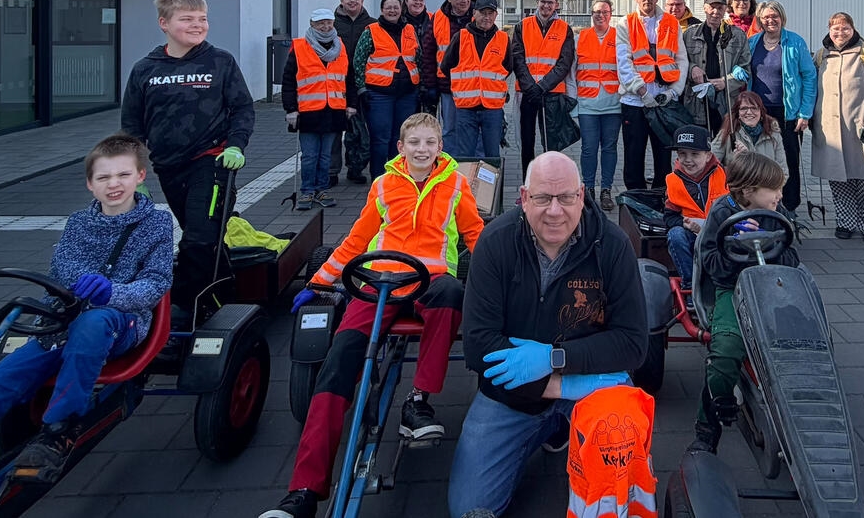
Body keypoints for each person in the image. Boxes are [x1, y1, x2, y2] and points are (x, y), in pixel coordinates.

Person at [0, 135, 173, 516]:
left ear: (139, 176)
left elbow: (158, 281)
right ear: (90, 184)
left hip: (120, 323)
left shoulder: (156, 223)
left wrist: (113, 292)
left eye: (124, 174)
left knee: (93, 323)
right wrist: (77, 286)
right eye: (104, 177)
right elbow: (63, 268)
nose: (114, 184)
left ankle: (60, 427)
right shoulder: (79, 224)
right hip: (60, 327)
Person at [261, 114, 483, 518]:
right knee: (338, 363)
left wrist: (501, 277)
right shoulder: (382, 186)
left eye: (430, 142)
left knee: (452, 292)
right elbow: (356, 241)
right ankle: (304, 491)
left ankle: (418, 403)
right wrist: (318, 282)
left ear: (440, 147)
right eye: (414, 142)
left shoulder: (456, 184)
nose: (422, 150)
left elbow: (476, 236)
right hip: (377, 282)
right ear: (401, 147)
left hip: (430, 281)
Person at [449, 151, 648, 518]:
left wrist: (553, 361)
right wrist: (559, 387)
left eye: (566, 197)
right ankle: (551, 427)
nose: (555, 211)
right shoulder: (494, 244)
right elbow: (478, 346)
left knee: (619, 479)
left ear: (582, 195)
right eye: (542, 198)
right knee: (468, 508)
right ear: (523, 198)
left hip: (592, 391)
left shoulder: (613, 245)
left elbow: (633, 343)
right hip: (516, 396)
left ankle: (563, 428)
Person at [121, 0, 254, 318]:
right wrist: (134, 174)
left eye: (203, 19)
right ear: (164, 23)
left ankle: (181, 308)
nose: (197, 25)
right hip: (168, 168)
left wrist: (236, 144)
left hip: (212, 163)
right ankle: (224, 298)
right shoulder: (144, 70)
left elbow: (242, 108)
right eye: (187, 19)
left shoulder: (220, 61)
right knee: (205, 241)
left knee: (198, 239)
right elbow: (131, 127)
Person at [690, 151, 799, 454]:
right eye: (773, 189)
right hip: (731, 288)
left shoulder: (777, 211)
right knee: (725, 350)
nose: (780, 195)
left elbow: (793, 258)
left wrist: (769, 240)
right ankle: (707, 426)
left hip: (772, 287)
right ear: (748, 192)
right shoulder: (721, 212)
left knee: (801, 339)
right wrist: (735, 246)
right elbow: (710, 262)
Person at [811, 12, 864, 244]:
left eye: (845, 28)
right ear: (828, 30)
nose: (840, 33)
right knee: (838, 179)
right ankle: (846, 221)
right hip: (831, 131)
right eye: (835, 29)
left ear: (853, 29)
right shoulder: (821, 56)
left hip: (861, 129)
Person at [745, 0, 816, 219]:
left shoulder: (794, 42)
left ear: (782, 18)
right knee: (761, 160)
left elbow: (809, 76)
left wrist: (805, 113)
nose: (770, 20)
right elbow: (745, 67)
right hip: (759, 113)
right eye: (766, 17)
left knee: (788, 160)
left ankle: (790, 205)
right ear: (760, 20)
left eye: (774, 16)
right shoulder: (753, 42)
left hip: (788, 113)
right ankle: (762, 204)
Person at [282, 9, 358, 211]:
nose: (325, 27)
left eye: (328, 23)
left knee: (326, 155)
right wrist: (290, 109)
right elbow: (288, 81)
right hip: (307, 111)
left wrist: (351, 104)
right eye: (320, 23)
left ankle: (322, 190)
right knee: (309, 155)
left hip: (334, 110)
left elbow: (349, 79)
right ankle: (307, 191)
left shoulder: (340, 46)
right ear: (312, 24)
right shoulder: (299, 46)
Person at [616, 0, 689, 190]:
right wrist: (641, 90)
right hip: (635, 101)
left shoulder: (671, 22)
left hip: (663, 100)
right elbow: (624, 62)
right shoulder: (625, 23)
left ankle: (662, 198)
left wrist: (673, 92)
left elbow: (681, 59)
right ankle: (635, 200)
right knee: (633, 155)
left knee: (663, 155)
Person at [354, 0, 421, 182]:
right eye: (388, 7)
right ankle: (378, 178)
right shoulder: (371, 31)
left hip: (406, 93)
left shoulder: (410, 29)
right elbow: (358, 61)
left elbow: (419, 58)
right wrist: (361, 89)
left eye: (396, 7)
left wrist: (420, 87)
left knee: (400, 138)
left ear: (401, 9)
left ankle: (397, 177)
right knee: (380, 139)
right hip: (379, 94)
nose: (392, 11)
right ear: (382, 10)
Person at [509, 0, 576, 175]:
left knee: (551, 143)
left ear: (557, 5)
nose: (546, 5)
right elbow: (518, 58)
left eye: (550, 2)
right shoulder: (522, 26)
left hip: (552, 94)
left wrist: (544, 86)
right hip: (527, 93)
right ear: (537, 2)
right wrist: (531, 87)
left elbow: (565, 62)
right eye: (543, 1)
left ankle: (551, 184)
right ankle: (528, 184)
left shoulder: (565, 29)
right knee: (527, 142)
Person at [441, 0, 513, 162]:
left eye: (491, 13)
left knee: (492, 158)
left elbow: (508, 67)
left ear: (496, 15)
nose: (487, 17)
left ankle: (491, 189)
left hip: (492, 109)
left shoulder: (503, 39)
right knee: (466, 157)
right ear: (474, 13)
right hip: (466, 108)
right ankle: (466, 188)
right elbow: (446, 67)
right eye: (483, 13)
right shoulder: (461, 37)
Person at [571, 0, 622, 211]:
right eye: (596, 12)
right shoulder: (580, 38)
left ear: (611, 14)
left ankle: (607, 190)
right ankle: (589, 189)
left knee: (609, 148)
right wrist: (573, 102)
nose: (600, 15)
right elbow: (571, 72)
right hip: (587, 103)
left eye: (604, 11)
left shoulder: (620, 37)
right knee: (589, 149)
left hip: (614, 103)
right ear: (591, 14)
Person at [663, 125, 728, 288]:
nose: (688, 160)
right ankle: (691, 285)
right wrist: (683, 223)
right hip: (692, 236)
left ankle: (724, 281)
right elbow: (669, 217)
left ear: (708, 156)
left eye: (695, 154)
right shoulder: (673, 181)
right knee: (675, 234)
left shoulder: (725, 175)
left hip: (721, 235)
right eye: (682, 154)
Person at [681, 0, 750, 136]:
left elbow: (746, 69)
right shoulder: (689, 35)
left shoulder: (737, 36)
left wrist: (726, 82)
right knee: (699, 152)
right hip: (696, 104)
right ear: (705, 8)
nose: (715, 12)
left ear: (725, 9)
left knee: (726, 151)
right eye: (712, 7)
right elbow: (680, 63)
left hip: (726, 104)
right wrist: (692, 68)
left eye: (720, 8)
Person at [331, 0, 375, 186]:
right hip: (334, 84)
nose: (352, 1)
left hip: (361, 84)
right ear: (341, 0)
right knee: (333, 130)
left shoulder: (372, 25)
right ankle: (331, 171)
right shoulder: (330, 25)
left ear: (362, 1)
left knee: (357, 131)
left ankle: (355, 168)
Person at [432, 0, 474, 147]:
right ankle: (450, 168)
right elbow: (429, 52)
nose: (464, 1)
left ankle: (474, 170)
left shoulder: (480, 16)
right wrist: (431, 84)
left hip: (474, 87)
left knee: (473, 131)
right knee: (449, 129)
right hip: (448, 85)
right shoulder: (437, 18)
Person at [711, 91, 788, 181]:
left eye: (754, 108)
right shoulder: (727, 133)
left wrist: (748, 158)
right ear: (738, 113)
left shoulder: (774, 134)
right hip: (736, 190)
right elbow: (709, 164)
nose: (749, 112)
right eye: (744, 108)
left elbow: (783, 173)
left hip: (765, 189)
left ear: (761, 112)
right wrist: (735, 166)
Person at [402, 0, 440, 115]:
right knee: (409, 119)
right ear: (406, 1)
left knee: (429, 119)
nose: (417, 3)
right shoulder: (399, 21)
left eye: (421, 0)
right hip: (406, 79)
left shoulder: (433, 19)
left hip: (430, 78)